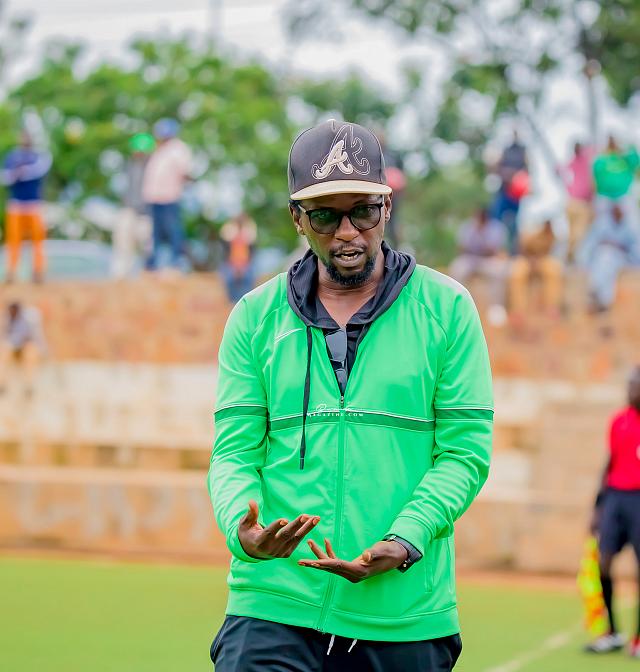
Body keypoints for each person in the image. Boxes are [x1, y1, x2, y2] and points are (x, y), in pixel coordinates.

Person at [208, 119, 493, 671]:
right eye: (324, 215)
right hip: (272, 603)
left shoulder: (448, 309)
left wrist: (406, 539)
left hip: (403, 612)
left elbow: (465, 453)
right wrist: (242, 530)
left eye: (362, 211)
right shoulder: (254, 318)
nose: (347, 233)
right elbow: (233, 453)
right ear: (297, 218)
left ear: (386, 207)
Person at [587, 365, 640, 658]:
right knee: (604, 563)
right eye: (629, 385)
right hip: (616, 498)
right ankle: (612, 632)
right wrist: (598, 507)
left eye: (635, 385)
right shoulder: (619, 421)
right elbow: (609, 463)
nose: (630, 390)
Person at [141, 118, 193, 271]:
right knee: (154, 233)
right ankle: (152, 263)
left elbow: (184, 172)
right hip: (153, 197)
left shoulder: (178, 149)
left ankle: (176, 261)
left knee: (173, 230)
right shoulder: (158, 149)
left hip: (169, 197)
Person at [1, 131, 52, 283]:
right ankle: (11, 271)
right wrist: (16, 174)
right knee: (13, 240)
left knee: (38, 241)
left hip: (34, 205)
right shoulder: (11, 157)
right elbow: (5, 177)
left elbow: (40, 169)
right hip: (16, 205)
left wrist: (22, 172)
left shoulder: (38, 157)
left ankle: (38, 271)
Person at [449, 208, 509, 326]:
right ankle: (457, 306)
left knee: (499, 271)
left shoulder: (497, 228)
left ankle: (496, 308)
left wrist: (481, 238)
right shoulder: (467, 227)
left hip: (487, 260)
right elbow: (461, 248)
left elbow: (494, 250)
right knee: (457, 268)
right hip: (470, 259)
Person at [112, 132, 155, 278]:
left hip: (147, 212)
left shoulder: (154, 167)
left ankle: (148, 271)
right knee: (122, 241)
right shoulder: (128, 165)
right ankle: (121, 273)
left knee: (147, 244)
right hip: (128, 208)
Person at [583, 204, 640, 313]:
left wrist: (617, 246)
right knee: (605, 256)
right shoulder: (602, 222)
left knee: (608, 257)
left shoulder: (632, 223)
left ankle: (599, 293)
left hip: (623, 259)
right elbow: (589, 245)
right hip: (600, 258)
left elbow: (636, 251)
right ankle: (602, 297)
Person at [509, 219, 563, 319]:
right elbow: (522, 248)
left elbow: (548, 252)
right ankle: (518, 311)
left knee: (553, 270)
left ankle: (552, 307)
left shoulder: (552, 236)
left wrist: (538, 261)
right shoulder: (532, 234)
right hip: (527, 260)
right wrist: (532, 260)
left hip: (541, 261)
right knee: (518, 272)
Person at [491, 131, 529, 256]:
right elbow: (497, 168)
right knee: (496, 220)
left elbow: (526, 170)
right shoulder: (506, 150)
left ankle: (514, 253)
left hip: (516, 194)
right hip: (503, 191)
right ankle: (497, 250)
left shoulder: (523, 151)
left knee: (514, 225)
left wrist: (514, 175)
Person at [0, 301, 47, 396]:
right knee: (4, 350)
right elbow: (7, 338)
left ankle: (28, 385)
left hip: (28, 347)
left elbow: (36, 336)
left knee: (30, 352)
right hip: (13, 348)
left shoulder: (29, 318)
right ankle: (2, 383)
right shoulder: (7, 319)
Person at [559, 142, 595, 262]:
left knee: (574, 234)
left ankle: (570, 257)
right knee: (578, 233)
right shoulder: (583, 160)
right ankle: (572, 257)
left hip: (574, 202)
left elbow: (560, 170)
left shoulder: (579, 160)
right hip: (578, 203)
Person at [219, 212, 258, 304]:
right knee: (230, 281)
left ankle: (245, 302)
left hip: (246, 264)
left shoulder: (248, 232)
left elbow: (252, 248)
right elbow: (225, 245)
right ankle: (232, 302)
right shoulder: (230, 232)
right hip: (231, 264)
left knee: (248, 282)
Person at [592, 136, 639, 202]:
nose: (612, 144)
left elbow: (635, 159)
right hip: (604, 196)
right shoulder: (600, 160)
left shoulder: (626, 159)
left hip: (624, 195)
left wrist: (623, 149)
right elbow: (594, 178)